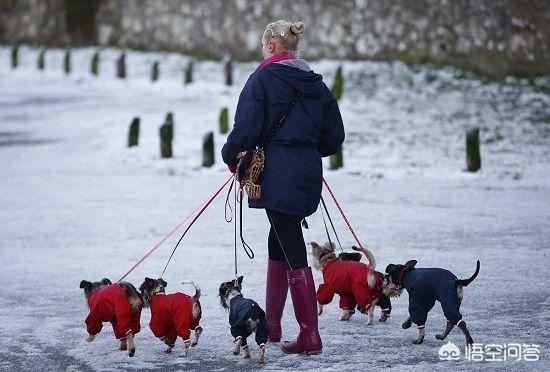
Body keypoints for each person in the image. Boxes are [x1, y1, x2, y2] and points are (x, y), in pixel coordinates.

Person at [221, 20, 344, 355]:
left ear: (272, 46)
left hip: (276, 173)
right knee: (279, 235)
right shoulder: (316, 84)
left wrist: (231, 157)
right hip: (307, 174)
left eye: (263, 46)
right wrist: (303, 148)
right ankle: (272, 326)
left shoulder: (262, 78)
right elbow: (334, 137)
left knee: (290, 243)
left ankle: (310, 335)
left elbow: (245, 128)